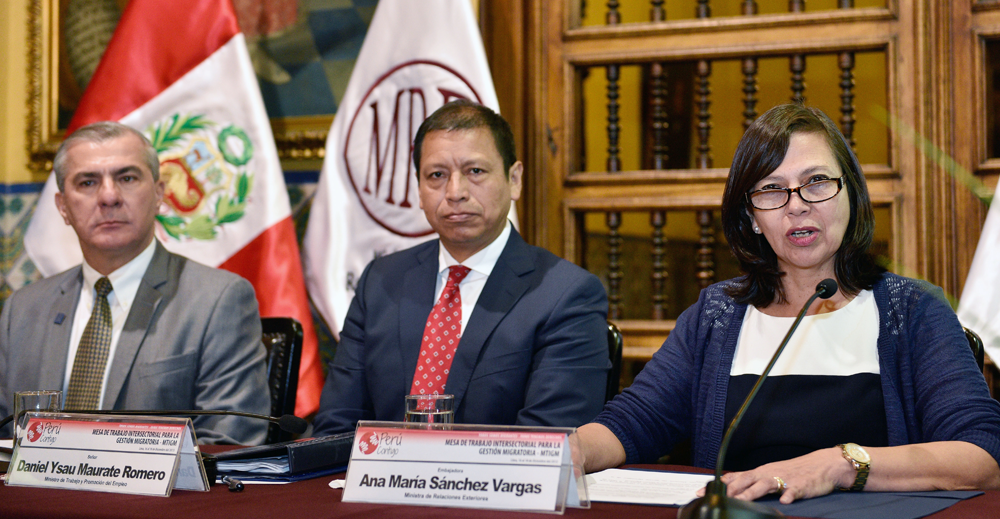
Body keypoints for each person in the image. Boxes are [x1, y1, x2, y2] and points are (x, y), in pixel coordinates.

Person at [577, 103, 1000, 503]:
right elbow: (633, 422)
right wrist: (565, 452)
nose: (796, 205)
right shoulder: (716, 315)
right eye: (771, 189)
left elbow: (983, 455)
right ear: (751, 217)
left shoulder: (910, 311)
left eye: (816, 182)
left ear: (850, 193)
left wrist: (839, 465)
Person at [311, 100, 609, 435]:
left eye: (475, 171)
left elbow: (548, 443)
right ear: (419, 190)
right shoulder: (381, 281)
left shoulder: (566, 295)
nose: (455, 192)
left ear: (514, 180)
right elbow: (336, 427)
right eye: (437, 175)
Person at [0, 122, 270, 444]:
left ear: (158, 194)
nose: (109, 196)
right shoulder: (22, 309)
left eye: (127, 178)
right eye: (88, 182)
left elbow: (228, 443)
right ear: (63, 207)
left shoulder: (217, 300)